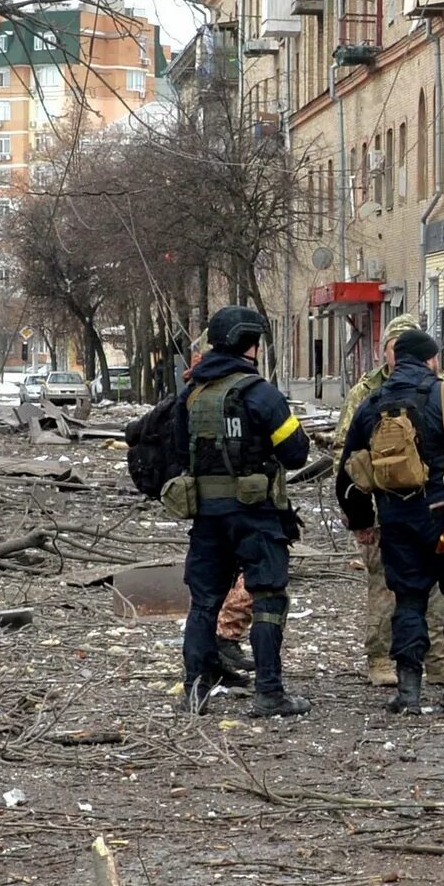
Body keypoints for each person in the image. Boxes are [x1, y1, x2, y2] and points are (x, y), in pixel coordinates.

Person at [339, 328, 444, 715]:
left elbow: (349, 472)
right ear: (431, 360)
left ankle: (408, 692)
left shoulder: (373, 403)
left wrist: (361, 520)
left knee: (409, 599)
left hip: (397, 518)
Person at [174, 305, 313, 718]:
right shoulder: (260, 393)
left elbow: (179, 452)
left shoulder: (191, 394)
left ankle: (196, 689)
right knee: (268, 597)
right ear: (250, 342)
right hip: (256, 514)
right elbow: (296, 453)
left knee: (204, 601)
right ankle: (269, 693)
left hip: (207, 516)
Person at [333, 348, 441, 688]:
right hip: (381, 509)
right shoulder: (366, 395)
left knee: (438, 590)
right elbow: (347, 458)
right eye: (392, 347)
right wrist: (360, 517)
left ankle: (438, 660)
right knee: (384, 587)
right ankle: (381, 658)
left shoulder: (436, 390)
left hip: (429, 506)